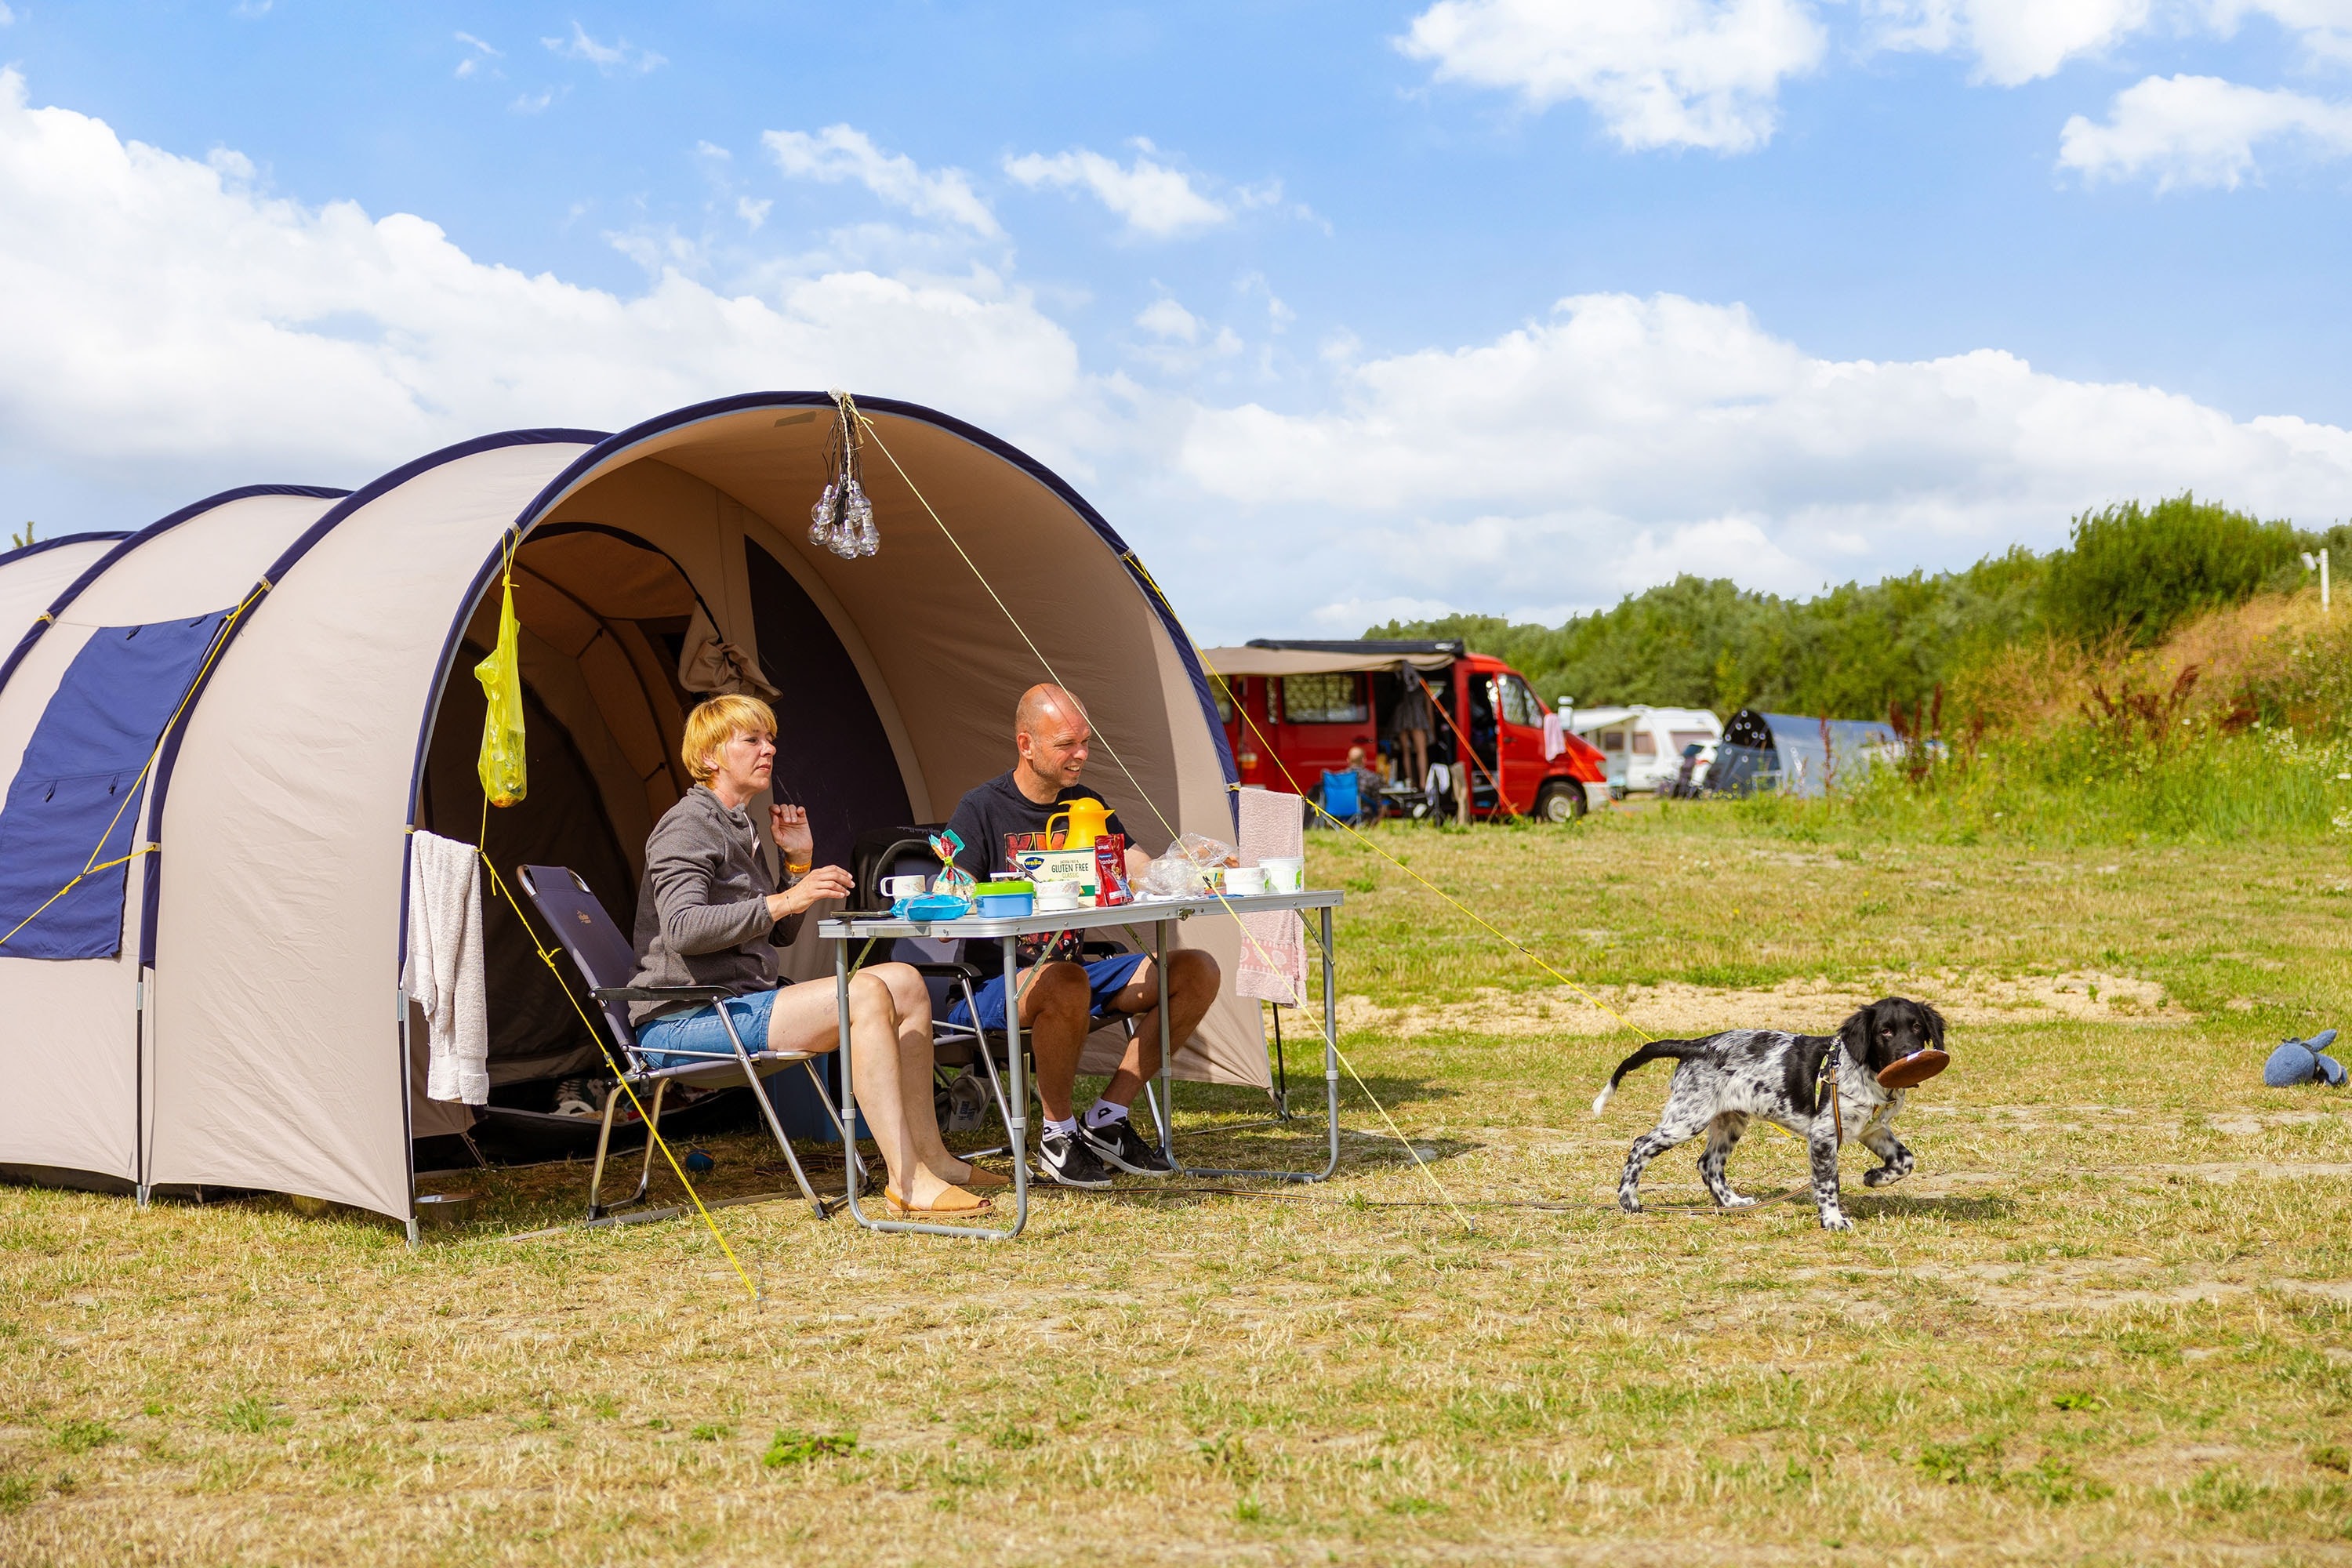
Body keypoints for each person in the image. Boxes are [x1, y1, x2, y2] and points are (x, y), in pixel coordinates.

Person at [629, 694, 994, 1217]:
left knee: (905, 981)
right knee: (865, 992)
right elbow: (685, 929)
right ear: (709, 756)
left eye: (770, 739)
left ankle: (935, 1158)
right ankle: (906, 1183)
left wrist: (796, 865)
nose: (769, 749)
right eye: (751, 740)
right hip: (683, 1021)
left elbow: (774, 937)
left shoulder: (737, 823)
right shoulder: (687, 826)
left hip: (737, 1005)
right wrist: (785, 897)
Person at [943, 683, 1221, 1189]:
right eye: (1066, 745)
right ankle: (1056, 1134)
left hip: (1071, 970)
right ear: (1026, 745)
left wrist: (1192, 870)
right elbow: (950, 896)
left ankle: (1107, 1119)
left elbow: (1138, 869)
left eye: (1085, 743)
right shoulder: (981, 808)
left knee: (1195, 970)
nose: (1080, 757)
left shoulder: (1086, 803)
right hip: (988, 982)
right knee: (1067, 981)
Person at [1390, 662, 1434, 796]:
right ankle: (1422, 783)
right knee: (1421, 751)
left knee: (1406, 752)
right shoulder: (1423, 684)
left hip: (1401, 716)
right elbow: (1429, 709)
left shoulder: (1400, 680)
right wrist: (1431, 729)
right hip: (1418, 718)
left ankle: (1410, 782)